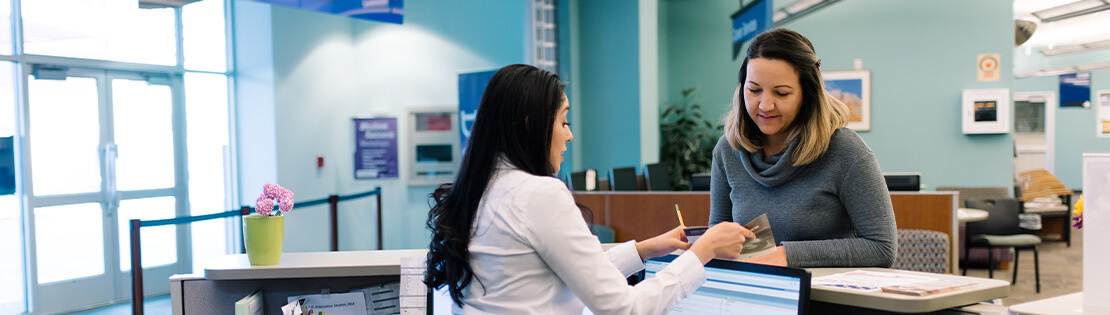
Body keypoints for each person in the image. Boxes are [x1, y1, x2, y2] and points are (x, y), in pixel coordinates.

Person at [425, 64, 755, 314]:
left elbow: (560, 271)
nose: (569, 135)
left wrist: (644, 249)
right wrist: (702, 252)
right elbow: (625, 308)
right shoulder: (538, 194)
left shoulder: (481, 189)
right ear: (530, 125)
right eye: (564, 121)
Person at [708, 28, 897, 268]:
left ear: (807, 95)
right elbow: (720, 236)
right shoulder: (727, 151)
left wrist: (785, 255)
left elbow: (882, 247)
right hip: (757, 295)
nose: (765, 105)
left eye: (782, 92)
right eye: (754, 90)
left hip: (825, 300)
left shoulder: (845, 151)